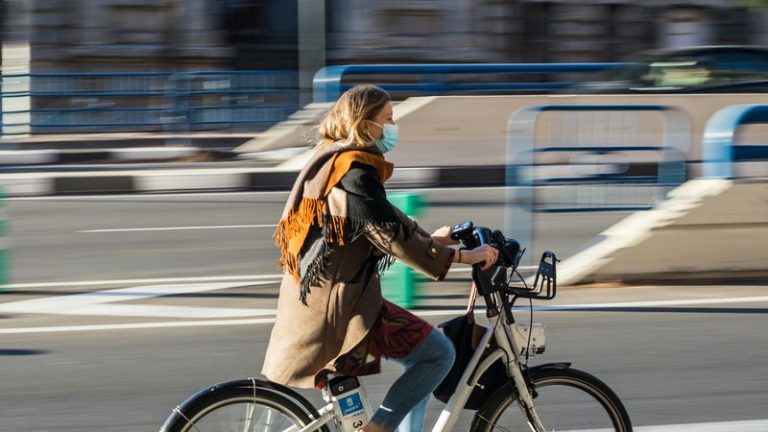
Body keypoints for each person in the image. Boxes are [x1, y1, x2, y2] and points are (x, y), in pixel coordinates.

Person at [262, 84, 499, 432]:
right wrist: (465, 256)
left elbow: (380, 219)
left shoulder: (334, 155)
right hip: (340, 307)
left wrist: (428, 239)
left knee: (423, 360)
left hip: (321, 297)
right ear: (364, 125)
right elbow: (388, 235)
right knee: (438, 354)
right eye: (387, 119)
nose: (392, 126)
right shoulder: (354, 170)